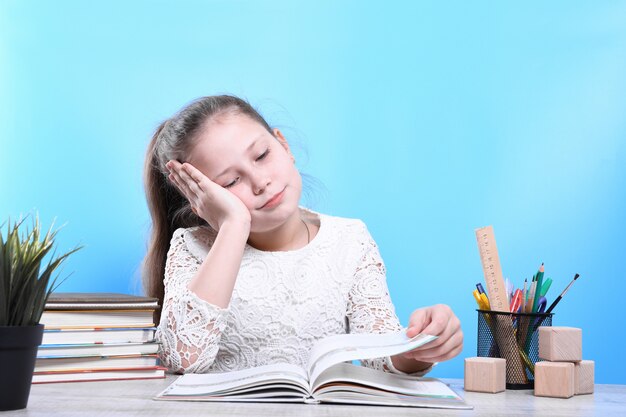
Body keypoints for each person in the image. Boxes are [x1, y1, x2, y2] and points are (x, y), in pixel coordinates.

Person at [143, 95, 463, 375]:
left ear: (284, 145)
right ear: (202, 201)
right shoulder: (194, 248)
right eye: (229, 183)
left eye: (262, 156)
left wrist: (421, 345)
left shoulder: (349, 240)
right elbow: (183, 359)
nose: (260, 182)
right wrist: (234, 225)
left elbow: (381, 357)